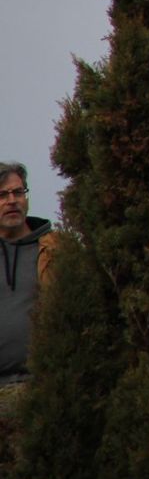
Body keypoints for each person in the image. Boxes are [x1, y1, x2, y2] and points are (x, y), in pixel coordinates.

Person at [0, 162, 58, 382]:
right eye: (2, 195)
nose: (12, 200)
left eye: (18, 192)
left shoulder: (56, 250)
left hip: (45, 384)